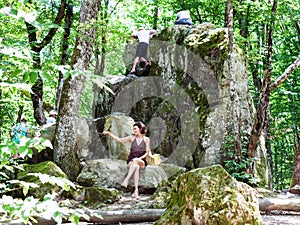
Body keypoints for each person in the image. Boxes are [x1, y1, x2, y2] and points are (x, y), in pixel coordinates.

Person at [102, 122, 150, 198]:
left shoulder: (146, 139)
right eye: (133, 129)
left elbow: (147, 153)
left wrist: (138, 158)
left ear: (140, 129)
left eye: (135, 129)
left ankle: (126, 180)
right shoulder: (131, 137)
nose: (134, 130)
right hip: (131, 160)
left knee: (136, 162)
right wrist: (109, 133)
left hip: (141, 161)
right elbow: (119, 140)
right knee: (136, 166)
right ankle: (136, 191)